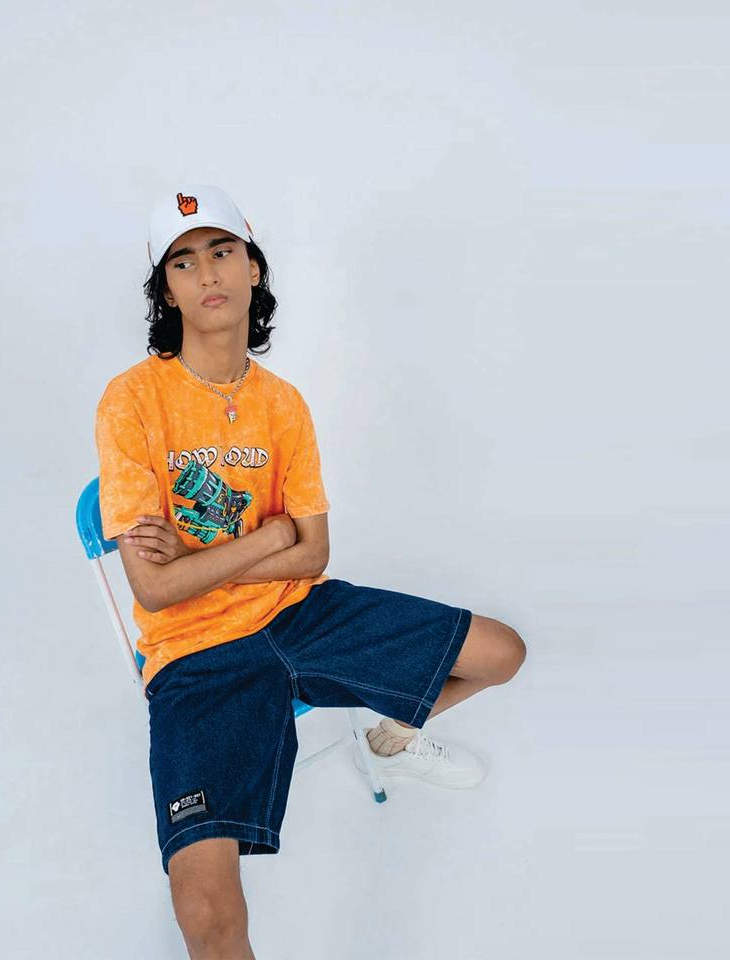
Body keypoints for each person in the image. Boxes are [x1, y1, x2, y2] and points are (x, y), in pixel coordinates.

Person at [94, 184, 526, 960]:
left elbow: (315, 553)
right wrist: (270, 538)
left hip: (302, 612)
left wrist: (202, 556)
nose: (207, 273)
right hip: (195, 655)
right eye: (184, 263)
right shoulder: (132, 400)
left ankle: (390, 738)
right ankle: (367, 708)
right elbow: (154, 589)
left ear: (253, 267)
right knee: (207, 917)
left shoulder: (283, 404)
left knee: (503, 652)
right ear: (167, 290)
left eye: (222, 251)